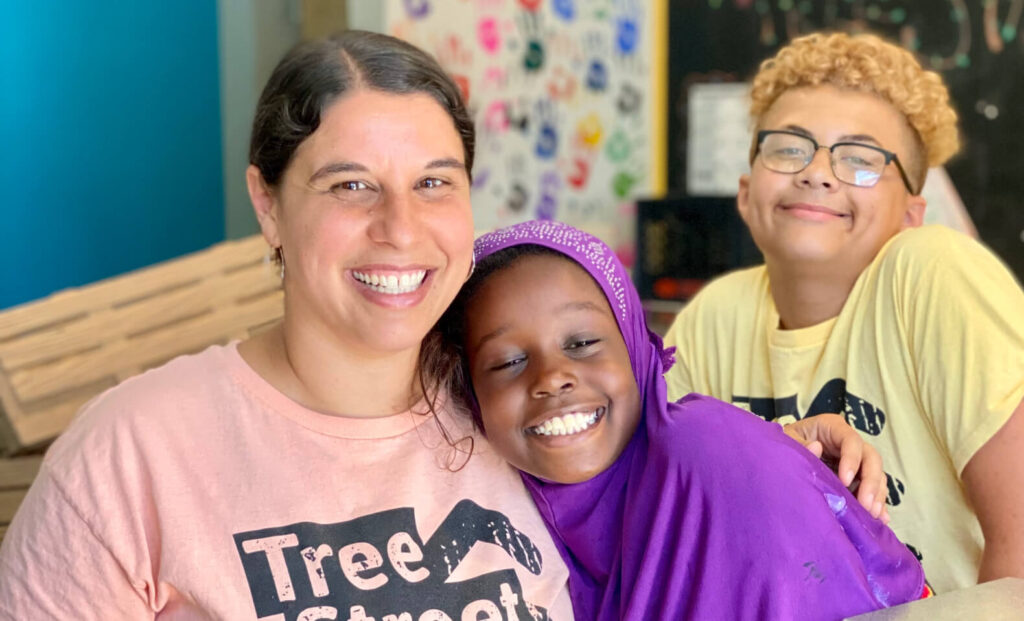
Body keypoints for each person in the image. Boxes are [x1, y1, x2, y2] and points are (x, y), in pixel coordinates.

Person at [0, 31, 575, 619]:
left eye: (433, 183)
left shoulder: (529, 415)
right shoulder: (129, 455)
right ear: (267, 205)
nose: (401, 230)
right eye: (351, 185)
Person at [662, 31, 1024, 593]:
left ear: (911, 214)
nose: (818, 172)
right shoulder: (713, 318)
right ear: (745, 192)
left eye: (860, 159)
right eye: (788, 147)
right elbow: (676, 523)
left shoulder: (932, 272)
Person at [440, 219, 928, 619]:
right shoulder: (502, 509)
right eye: (507, 362)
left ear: (633, 345)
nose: (552, 377)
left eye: (582, 343)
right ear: (470, 395)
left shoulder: (716, 465)